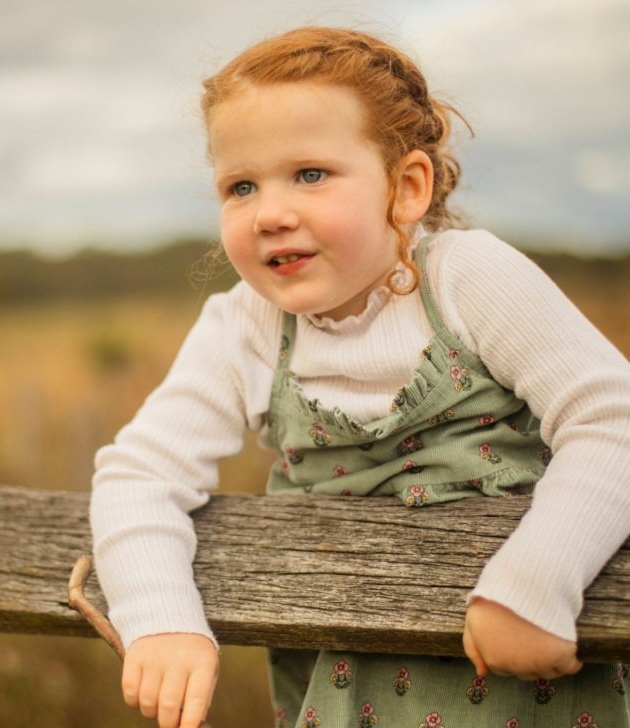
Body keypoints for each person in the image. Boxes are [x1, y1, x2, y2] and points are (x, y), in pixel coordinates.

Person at [90, 26, 630, 728]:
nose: (270, 214)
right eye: (241, 186)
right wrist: (160, 618)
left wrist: (534, 582)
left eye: (310, 174)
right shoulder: (244, 326)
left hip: (518, 675)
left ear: (406, 188)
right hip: (344, 691)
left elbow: (612, 422)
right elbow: (139, 475)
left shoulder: (467, 280)